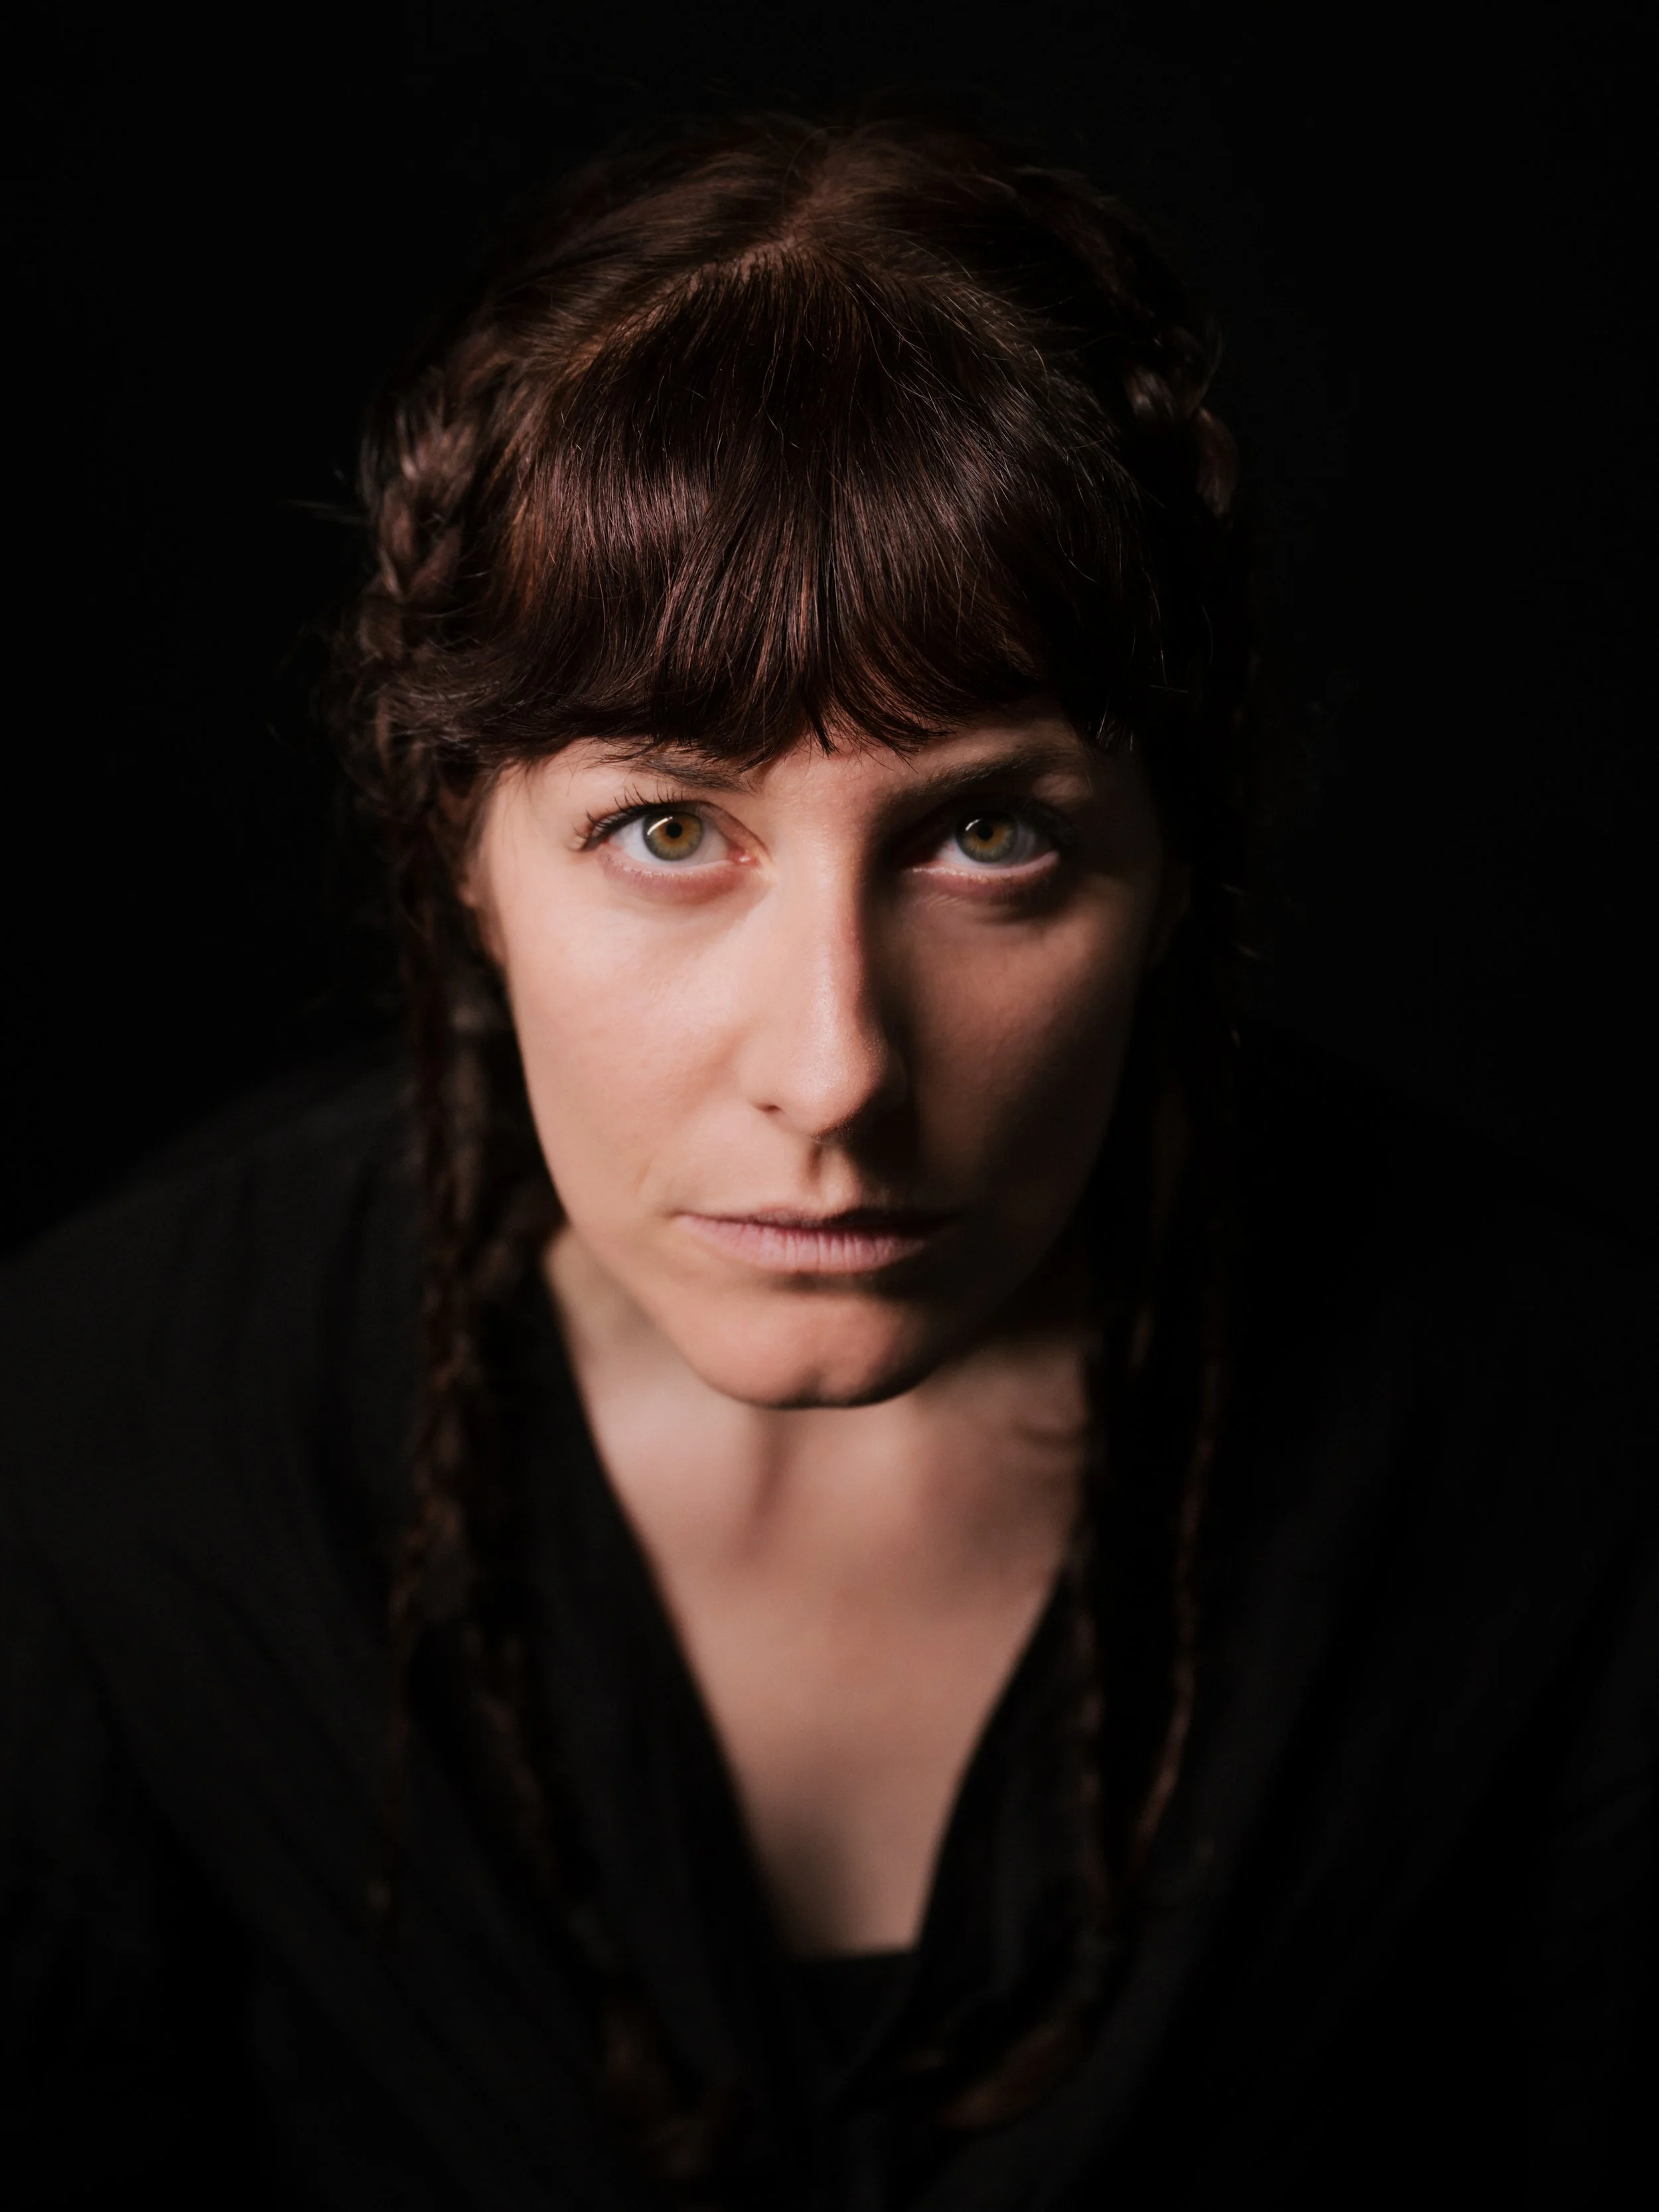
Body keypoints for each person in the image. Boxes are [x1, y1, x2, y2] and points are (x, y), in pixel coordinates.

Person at [1, 113, 1650, 2212]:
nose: (834, 1068)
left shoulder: (1562, 1439)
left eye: (988, 835)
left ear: (1173, 872)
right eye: (667, 830)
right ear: (459, 844)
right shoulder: (103, 1431)